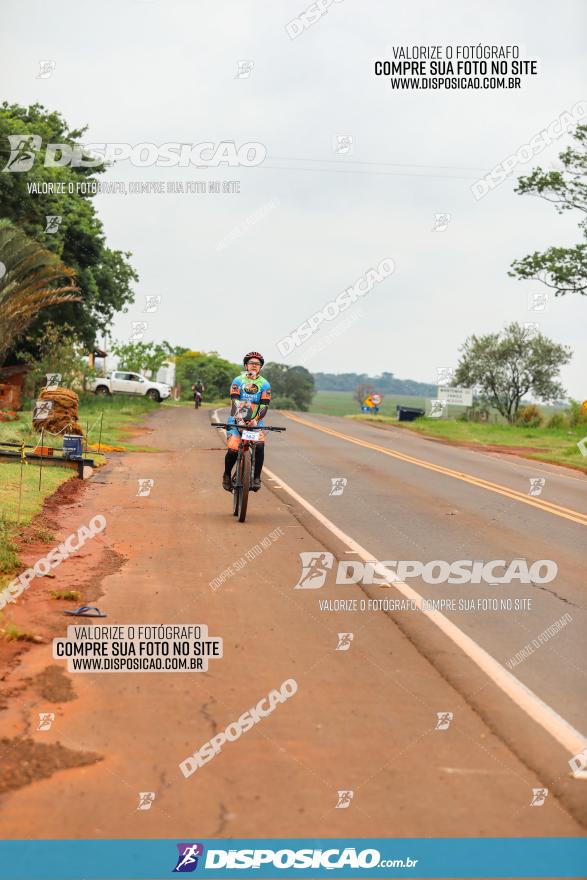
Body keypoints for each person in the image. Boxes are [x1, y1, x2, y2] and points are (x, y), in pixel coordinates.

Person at [222, 352, 271, 492]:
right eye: (251, 363)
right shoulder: (238, 381)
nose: (254, 366)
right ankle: (226, 474)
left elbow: (264, 405)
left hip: (256, 422)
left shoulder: (265, 384)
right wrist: (240, 420)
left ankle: (256, 478)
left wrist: (255, 420)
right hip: (237, 419)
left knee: (260, 446)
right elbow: (235, 402)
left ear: (260, 367)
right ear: (246, 365)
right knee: (232, 449)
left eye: (257, 364)